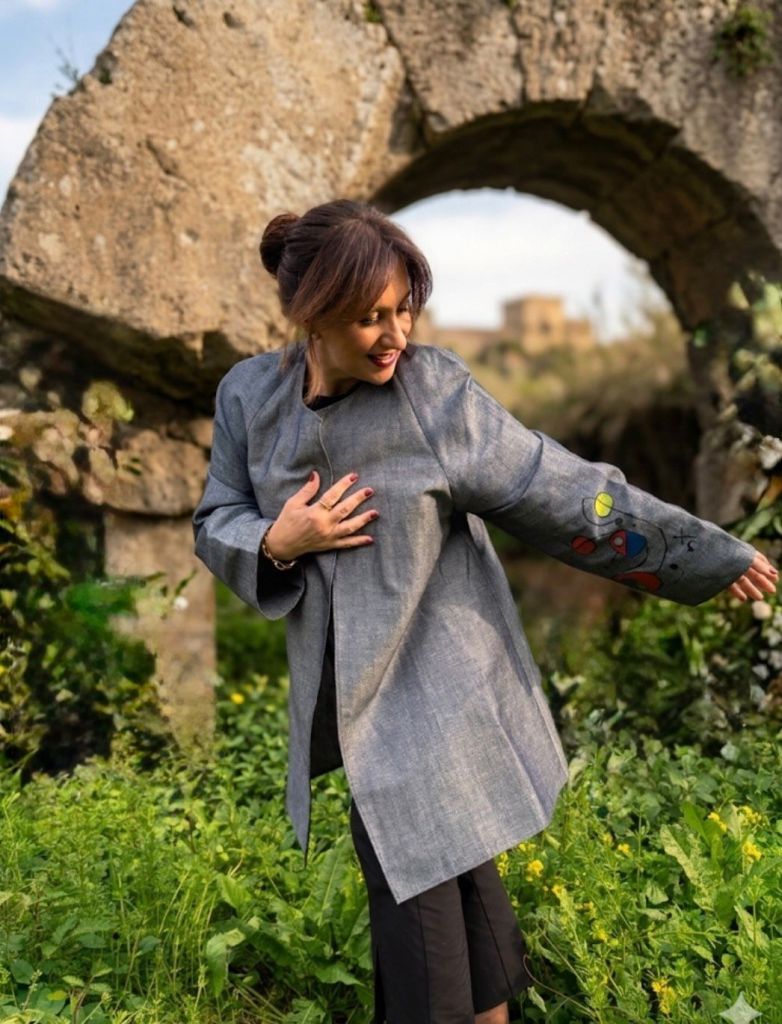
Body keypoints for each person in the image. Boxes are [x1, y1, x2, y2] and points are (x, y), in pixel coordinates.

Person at [192, 198, 778, 1024]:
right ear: (312, 315)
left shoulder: (432, 395)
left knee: (416, 907)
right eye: (370, 318)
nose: (395, 335)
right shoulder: (249, 397)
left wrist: (704, 554)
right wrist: (277, 539)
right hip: (356, 698)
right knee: (463, 892)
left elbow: (559, 490)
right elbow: (215, 518)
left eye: (404, 310)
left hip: (444, 689)